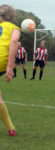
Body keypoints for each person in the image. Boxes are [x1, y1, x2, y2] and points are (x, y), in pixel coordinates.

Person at [0, 5, 21, 136]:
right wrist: (9, 66)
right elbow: (13, 41)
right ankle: (11, 128)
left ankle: (10, 127)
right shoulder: (14, 28)